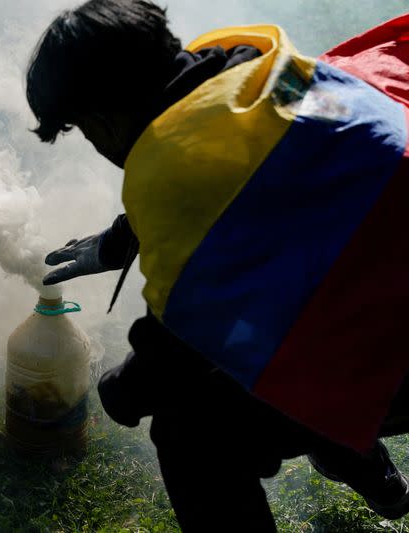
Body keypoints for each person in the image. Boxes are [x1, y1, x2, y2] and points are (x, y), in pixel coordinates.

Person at [25, 1, 409, 531]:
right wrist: (118, 241)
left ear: (100, 118)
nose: (93, 144)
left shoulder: (177, 173)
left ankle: (349, 442)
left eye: (83, 129)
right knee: (302, 311)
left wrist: (122, 388)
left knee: (192, 429)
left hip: (394, 335)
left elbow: (182, 347)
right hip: (385, 268)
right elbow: (257, 178)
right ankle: (375, 477)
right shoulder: (254, 71)